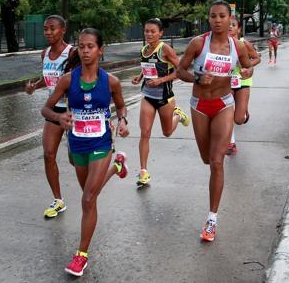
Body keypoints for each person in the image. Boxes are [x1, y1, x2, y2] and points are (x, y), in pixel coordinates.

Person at [41, 28, 130, 277]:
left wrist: (122, 121)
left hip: (101, 143)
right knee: (90, 193)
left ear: (100, 50)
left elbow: (121, 106)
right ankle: (118, 167)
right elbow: (45, 110)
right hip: (77, 144)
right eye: (81, 46)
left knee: (88, 199)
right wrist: (59, 117)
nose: (86, 51)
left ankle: (81, 255)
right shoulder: (68, 79)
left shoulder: (110, 81)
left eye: (90, 46)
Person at [176, 0, 252, 242]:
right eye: (213, 16)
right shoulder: (198, 43)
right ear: (208, 19)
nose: (218, 20)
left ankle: (211, 219)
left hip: (224, 104)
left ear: (231, 19)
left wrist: (247, 72)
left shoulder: (237, 46)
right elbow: (180, 70)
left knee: (217, 161)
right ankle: (212, 214)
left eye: (222, 16)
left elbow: (248, 66)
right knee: (206, 158)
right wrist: (197, 78)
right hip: (199, 106)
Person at [131, 18, 190, 186]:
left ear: (160, 33)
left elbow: (181, 71)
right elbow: (147, 68)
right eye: (146, 31)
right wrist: (140, 76)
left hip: (165, 98)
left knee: (167, 132)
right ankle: (143, 171)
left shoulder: (165, 49)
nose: (149, 34)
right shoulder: (143, 50)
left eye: (152, 31)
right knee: (145, 133)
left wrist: (161, 80)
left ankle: (177, 114)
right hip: (148, 96)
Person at [24, 15, 72, 218]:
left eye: (52, 29)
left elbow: (79, 79)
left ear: (62, 31)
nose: (48, 32)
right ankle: (58, 200)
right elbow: (49, 78)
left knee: (76, 160)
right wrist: (35, 86)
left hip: (72, 112)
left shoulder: (73, 53)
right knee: (48, 155)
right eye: (45, 29)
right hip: (54, 111)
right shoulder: (44, 53)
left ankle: (111, 168)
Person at [226, 15, 260, 156]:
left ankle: (243, 107)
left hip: (242, 82)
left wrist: (247, 67)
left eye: (233, 25)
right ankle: (230, 143)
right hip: (226, 83)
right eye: (227, 24)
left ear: (239, 29)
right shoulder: (218, 44)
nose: (229, 27)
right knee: (226, 114)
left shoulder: (243, 43)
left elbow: (257, 58)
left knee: (238, 119)